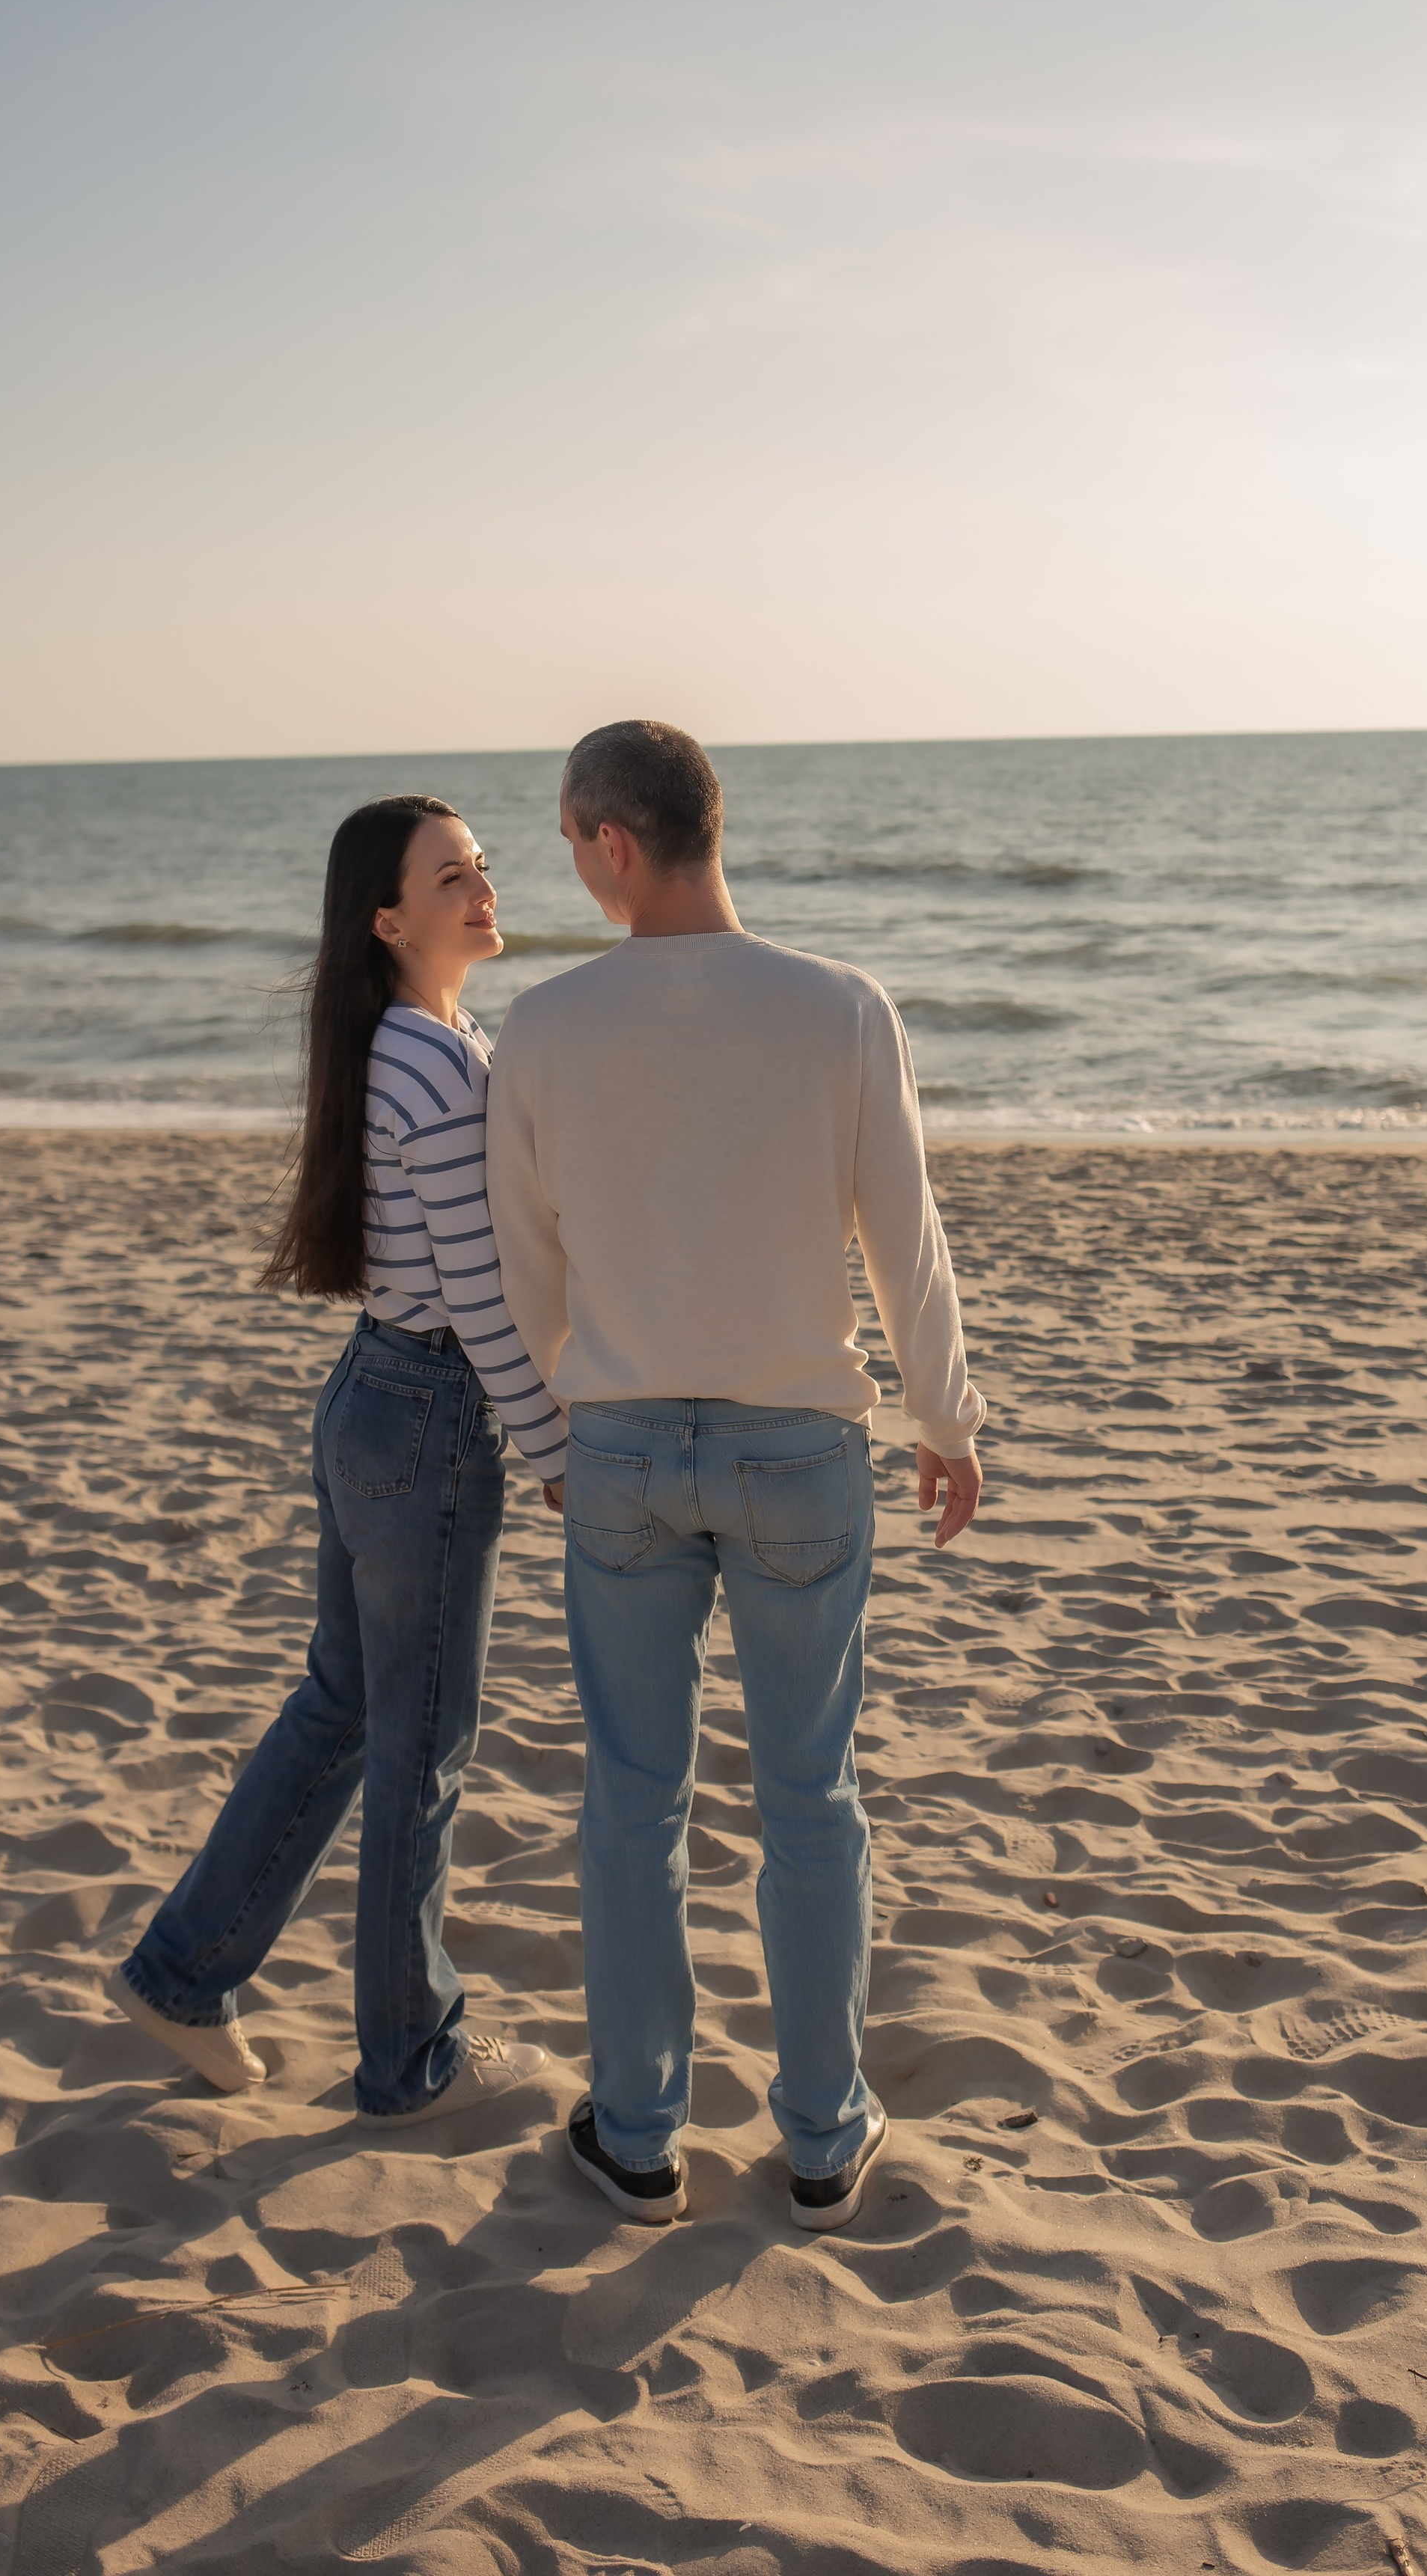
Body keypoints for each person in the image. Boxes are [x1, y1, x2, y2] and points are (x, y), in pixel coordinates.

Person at [486, 721, 985, 2231]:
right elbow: (904, 1239)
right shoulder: (838, 1008)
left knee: (631, 1800)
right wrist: (943, 1420)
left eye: (572, 841)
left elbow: (528, 1266)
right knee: (809, 1797)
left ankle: (636, 2136)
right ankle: (823, 2138)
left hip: (625, 1447)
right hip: (795, 1447)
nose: (569, 866)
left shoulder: (548, 1026)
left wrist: (564, 1426)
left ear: (614, 842)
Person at [109, 795, 565, 2126]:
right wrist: (548, 1447)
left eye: (481, 866)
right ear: (387, 917)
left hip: (373, 1395)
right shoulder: (433, 1062)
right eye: (448, 876)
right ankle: (411, 2058)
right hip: (426, 1416)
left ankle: (186, 1973)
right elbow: (481, 1293)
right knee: (417, 1750)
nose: (481, 887)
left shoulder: (417, 1043)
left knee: (344, 1712)